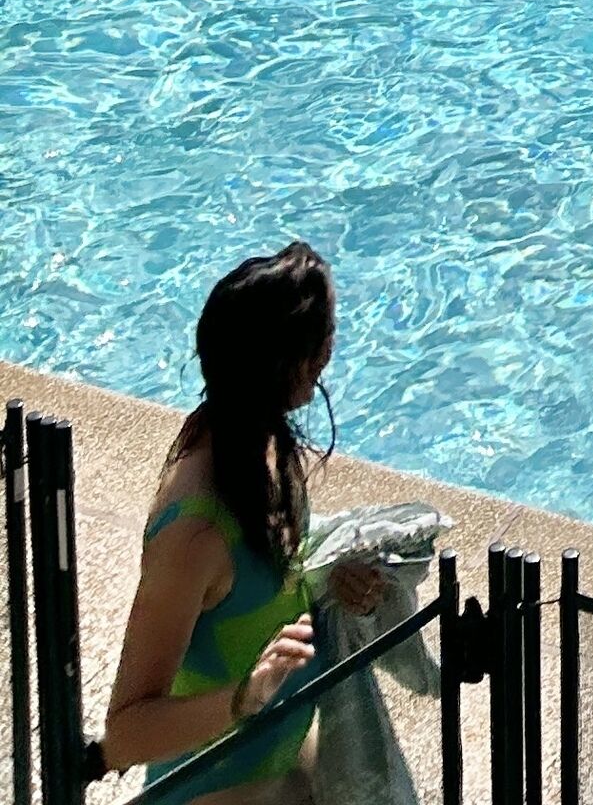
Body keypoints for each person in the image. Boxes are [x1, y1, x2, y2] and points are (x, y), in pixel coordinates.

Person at [102, 240, 386, 795]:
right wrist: (244, 697)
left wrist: (328, 575)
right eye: (323, 342)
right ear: (288, 362)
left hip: (288, 771)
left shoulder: (262, 441)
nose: (330, 353)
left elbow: (269, 580)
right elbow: (123, 734)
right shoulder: (196, 532)